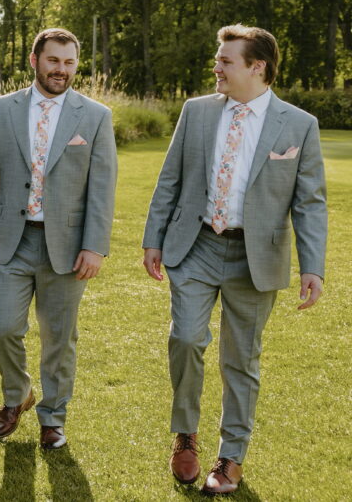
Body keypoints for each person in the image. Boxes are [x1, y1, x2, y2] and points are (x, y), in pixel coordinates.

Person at [142, 24, 326, 495]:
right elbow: (170, 178)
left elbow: (309, 203)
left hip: (256, 256)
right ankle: (185, 434)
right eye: (218, 59)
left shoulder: (299, 124)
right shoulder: (197, 111)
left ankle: (231, 458)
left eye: (225, 61)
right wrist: (153, 238)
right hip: (196, 244)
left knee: (241, 359)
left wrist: (312, 266)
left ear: (256, 67)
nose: (216, 67)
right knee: (186, 338)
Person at [0, 27, 116, 449]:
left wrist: (95, 246)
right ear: (34, 61)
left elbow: (103, 186)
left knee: (58, 338)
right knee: (2, 327)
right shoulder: (2, 109)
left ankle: (53, 416)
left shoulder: (95, 116)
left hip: (67, 246)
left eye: (69, 62)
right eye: (53, 60)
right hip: (11, 239)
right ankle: (17, 395)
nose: (61, 70)